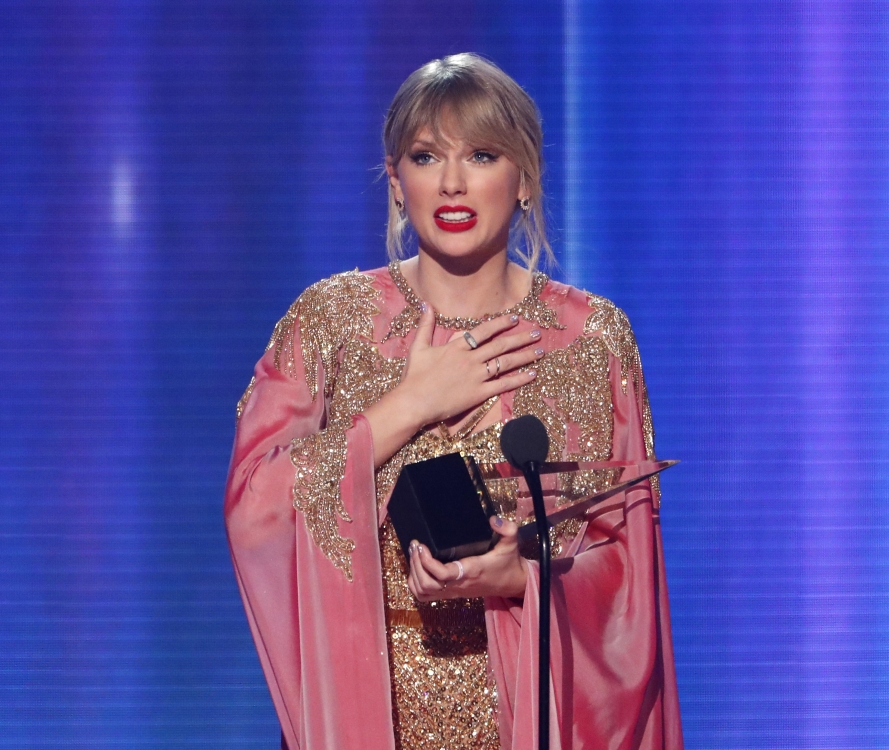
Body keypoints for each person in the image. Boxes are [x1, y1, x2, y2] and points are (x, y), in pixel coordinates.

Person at [224, 53, 683, 750]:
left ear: (524, 179)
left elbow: (629, 574)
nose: (452, 182)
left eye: (482, 154)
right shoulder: (331, 321)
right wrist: (409, 405)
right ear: (395, 180)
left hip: (531, 720)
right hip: (368, 720)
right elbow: (255, 506)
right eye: (425, 155)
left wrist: (525, 577)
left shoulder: (594, 338)